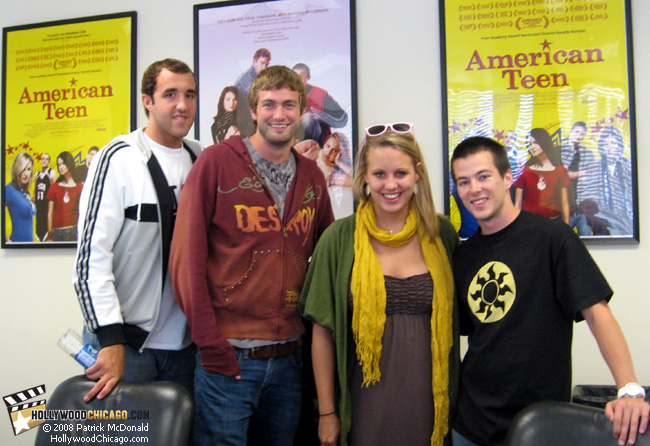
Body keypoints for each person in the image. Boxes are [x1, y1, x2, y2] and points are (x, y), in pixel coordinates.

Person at [170, 65, 334, 446]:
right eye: (270, 104)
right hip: (229, 360)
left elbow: (329, 253)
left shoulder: (312, 176)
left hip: (290, 360)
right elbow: (185, 260)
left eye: (290, 105)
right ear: (254, 110)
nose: (280, 114)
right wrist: (211, 345)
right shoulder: (216, 162)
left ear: (302, 109)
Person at [450, 136, 649, 446]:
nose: (474, 189)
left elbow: (597, 314)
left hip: (543, 426)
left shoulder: (551, 237)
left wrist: (629, 388)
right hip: (470, 427)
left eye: (483, 176)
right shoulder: (462, 256)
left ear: (506, 179)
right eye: (463, 182)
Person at [300, 123, 460, 446]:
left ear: (417, 174)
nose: (390, 185)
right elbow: (322, 333)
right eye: (380, 175)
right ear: (364, 178)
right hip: (363, 404)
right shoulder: (338, 239)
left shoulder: (441, 234)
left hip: (430, 400)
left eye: (400, 173)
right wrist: (328, 413)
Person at [73, 58, 202, 402]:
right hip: (128, 347)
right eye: (170, 94)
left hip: (186, 347)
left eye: (190, 95)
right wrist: (110, 339)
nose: (182, 105)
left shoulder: (202, 158)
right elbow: (90, 261)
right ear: (147, 100)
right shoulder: (118, 158)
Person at [514, 128, 571, 224]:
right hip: (530, 225)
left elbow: (565, 204)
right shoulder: (524, 171)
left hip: (553, 224)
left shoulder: (560, 171)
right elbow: (517, 205)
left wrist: (567, 229)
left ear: (544, 142)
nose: (532, 147)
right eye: (529, 144)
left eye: (535, 142)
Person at [292, 62, 348, 146]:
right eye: (295, 75)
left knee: (308, 117)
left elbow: (342, 119)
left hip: (319, 141)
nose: (298, 78)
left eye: (302, 74)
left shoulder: (320, 94)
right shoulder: (285, 94)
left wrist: (320, 117)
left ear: (308, 77)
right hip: (293, 141)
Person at [560, 121, 600, 235]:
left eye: (582, 134)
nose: (579, 136)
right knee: (563, 241)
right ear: (571, 132)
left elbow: (593, 174)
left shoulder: (587, 153)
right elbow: (562, 175)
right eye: (577, 132)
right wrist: (582, 173)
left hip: (582, 206)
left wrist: (575, 174)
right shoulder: (560, 150)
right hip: (564, 205)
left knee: (587, 241)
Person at [594, 126, 634, 236]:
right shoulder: (596, 168)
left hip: (628, 222)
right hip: (604, 222)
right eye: (605, 144)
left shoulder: (628, 166)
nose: (609, 147)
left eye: (613, 143)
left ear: (619, 145)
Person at [45, 151, 84, 242]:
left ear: (69, 164)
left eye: (63, 164)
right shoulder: (54, 187)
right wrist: (50, 234)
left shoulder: (79, 187)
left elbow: (82, 211)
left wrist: (81, 230)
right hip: (57, 232)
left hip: (74, 231)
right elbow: (50, 214)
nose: (61, 167)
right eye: (59, 165)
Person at [234, 48, 271, 137]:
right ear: (254, 62)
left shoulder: (261, 76)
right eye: (262, 63)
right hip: (244, 120)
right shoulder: (245, 81)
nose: (264, 68)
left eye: (267, 65)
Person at [5, 152, 36, 242]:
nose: (26, 173)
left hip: (29, 248)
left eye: (29, 169)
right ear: (17, 169)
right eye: (23, 169)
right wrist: (7, 241)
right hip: (16, 248)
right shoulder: (9, 190)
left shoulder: (26, 193)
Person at [34, 153, 57, 241]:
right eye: (43, 159)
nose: (44, 160)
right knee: (39, 231)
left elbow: (55, 191)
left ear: (49, 162)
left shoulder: (51, 173)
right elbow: (35, 192)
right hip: (39, 207)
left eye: (46, 159)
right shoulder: (37, 175)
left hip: (47, 207)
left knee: (48, 233)